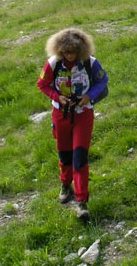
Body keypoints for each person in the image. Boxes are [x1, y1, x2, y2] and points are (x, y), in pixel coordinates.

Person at [36, 28, 109, 221]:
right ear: (60, 50)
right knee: (64, 153)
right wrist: (57, 97)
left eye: (73, 52)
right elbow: (41, 84)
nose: (70, 56)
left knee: (80, 157)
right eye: (66, 52)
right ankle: (65, 184)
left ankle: (81, 201)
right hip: (60, 115)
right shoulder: (53, 64)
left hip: (83, 115)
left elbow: (103, 80)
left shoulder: (90, 62)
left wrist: (89, 96)